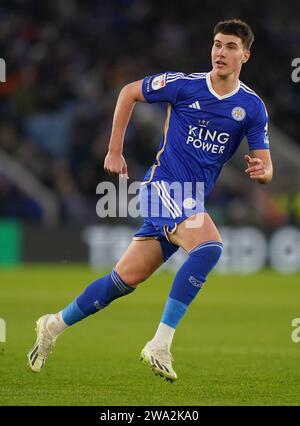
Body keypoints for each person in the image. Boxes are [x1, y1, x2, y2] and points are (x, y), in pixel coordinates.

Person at [28, 19, 273, 382]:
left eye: (230, 47)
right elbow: (128, 91)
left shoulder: (252, 107)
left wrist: (261, 171)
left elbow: (266, 165)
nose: (220, 52)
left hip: (191, 199)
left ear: (245, 55)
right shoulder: (185, 85)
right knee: (210, 248)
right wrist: (114, 150)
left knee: (121, 281)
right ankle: (160, 344)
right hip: (164, 189)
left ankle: (53, 325)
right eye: (217, 44)